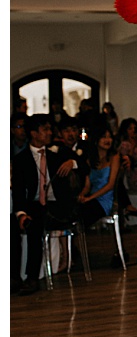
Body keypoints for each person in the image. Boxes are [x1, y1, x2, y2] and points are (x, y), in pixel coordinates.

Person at [11, 115, 81, 295]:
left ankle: (32, 277)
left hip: (56, 205)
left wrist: (71, 162)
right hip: (34, 204)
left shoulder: (57, 154)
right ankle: (14, 277)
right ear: (34, 134)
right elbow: (19, 192)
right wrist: (20, 213)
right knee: (13, 224)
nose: (50, 133)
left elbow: (84, 163)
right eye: (45, 130)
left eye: (50, 129)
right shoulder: (21, 160)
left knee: (35, 224)